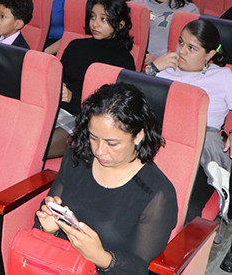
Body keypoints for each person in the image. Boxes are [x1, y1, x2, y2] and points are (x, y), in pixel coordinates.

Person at [35, 83, 177, 274]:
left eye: (112, 143)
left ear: (138, 136)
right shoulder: (77, 159)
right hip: (59, 266)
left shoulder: (157, 194)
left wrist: (100, 256)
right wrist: (50, 229)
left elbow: (141, 269)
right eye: (94, 138)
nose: (99, 151)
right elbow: (42, 225)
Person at [146, 19, 232, 222]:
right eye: (180, 42)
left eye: (192, 48)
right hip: (159, 140)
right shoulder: (163, 69)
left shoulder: (223, 78)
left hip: (199, 149)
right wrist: (152, 69)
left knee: (173, 202)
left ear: (209, 54)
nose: (182, 51)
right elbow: (130, 101)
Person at [49, 0, 136, 157]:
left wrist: (73, 97)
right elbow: (59, 76)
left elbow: (114, 104)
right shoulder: (76, 46)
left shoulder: (123, 59)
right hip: (56, 107)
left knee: (40, 143)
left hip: (87, 118)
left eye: (103, 19)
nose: (95, 23)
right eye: (93, 17)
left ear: (120, 25)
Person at [134, 0, 199, 64]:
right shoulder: (137, 5)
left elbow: (188, 44)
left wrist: (157, 57)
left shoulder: (188, 11)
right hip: (136, 59)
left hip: (169, 64)